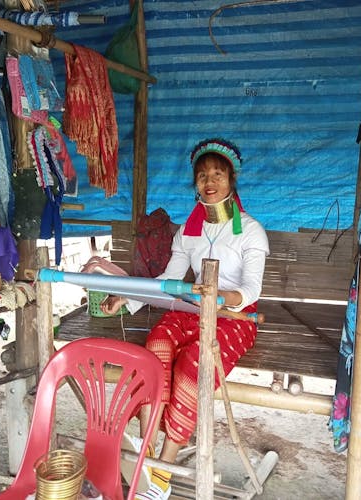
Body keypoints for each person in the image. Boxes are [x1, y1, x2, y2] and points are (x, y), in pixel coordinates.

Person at [100, 138, 269, 500]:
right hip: (193, 310)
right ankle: (146, 448)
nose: (210, 182)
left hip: (234, 318)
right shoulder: (188, 232)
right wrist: (127, 297)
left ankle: (161, 473)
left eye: (218, 174)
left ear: (232, 180)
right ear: (195, 183)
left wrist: (220, 298)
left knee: (193, 362)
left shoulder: (250, 230)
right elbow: (169, 281)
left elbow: (251, 290)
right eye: (203, 175)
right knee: (157, 343)